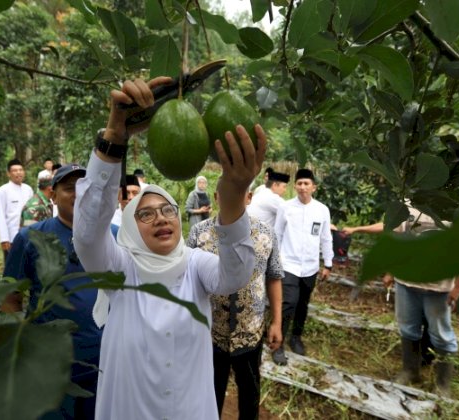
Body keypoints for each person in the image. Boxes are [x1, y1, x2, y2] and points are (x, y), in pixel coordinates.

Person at [72, 76, 266, 419]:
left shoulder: (194, 265)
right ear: (130, 229)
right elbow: (87, 235)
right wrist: (115, 137)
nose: (161, 219)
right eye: (145, 214)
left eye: (167, 211)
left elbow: (234, 275)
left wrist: (233, 198)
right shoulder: (120, 271)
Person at [4, 164, 102, 420]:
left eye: (84, 188)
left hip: (104, 362)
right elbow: (10, 298)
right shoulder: (30, 238)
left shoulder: (111, 237)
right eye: (69, 188)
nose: (78, 194)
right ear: (52, 195)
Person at [187, 181, 283, 420]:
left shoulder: (266, 233)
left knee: (249, 393)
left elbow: (273, 277)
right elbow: (185, 279)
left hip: (250, 331)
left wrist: (277, 322)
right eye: (226, 195)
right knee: (209, 392)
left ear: (248, 197)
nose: (232, 200)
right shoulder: (199, 233)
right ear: (217, 197)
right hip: (209, 333)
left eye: (238, 194)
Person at [382, 206, 459, 397]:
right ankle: (410, 371)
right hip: (406, 281)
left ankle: (443, 384)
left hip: (438, 286)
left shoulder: (455, 207)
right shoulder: (408, 203)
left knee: (441, 335)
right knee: (408, 328)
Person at [272, 168, 333, 365]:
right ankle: (278, 344)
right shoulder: (286, 208)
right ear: (295, 186)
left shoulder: (322, 210)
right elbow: (277, 234)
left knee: (303, 304)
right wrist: (275, 260)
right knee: (288, 303)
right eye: (299, 183)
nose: (303, 187)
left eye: (307, 183)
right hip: (288, 264)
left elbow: (325, 238)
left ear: (314, 187)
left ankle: (296, 337)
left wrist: (328, 263)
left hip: (310, 267)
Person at [0, 159, 33, 260]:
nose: (18, 173)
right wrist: (4, 239)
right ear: (8, 174)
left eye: (21, 170)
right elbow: (0, 216)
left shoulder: (28, 189)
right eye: (15, 171)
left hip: (28, 235)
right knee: (12, 267)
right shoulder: (3, 191)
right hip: (11, 237)